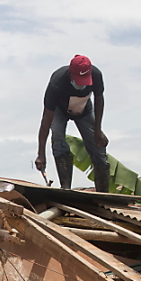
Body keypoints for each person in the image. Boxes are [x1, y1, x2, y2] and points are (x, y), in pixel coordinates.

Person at [34, 54, 110, 192]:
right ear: (71, 74)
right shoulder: (57, 83)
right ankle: (66, 188)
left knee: (97, 145)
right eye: (79, 80)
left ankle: (103, 192)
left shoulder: (96, 75)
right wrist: (41, 154)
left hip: (84, 111)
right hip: (60, 110)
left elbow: (99, 99)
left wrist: (98, 130)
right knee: (57, 138)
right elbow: (46, 122)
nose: (82, 84)